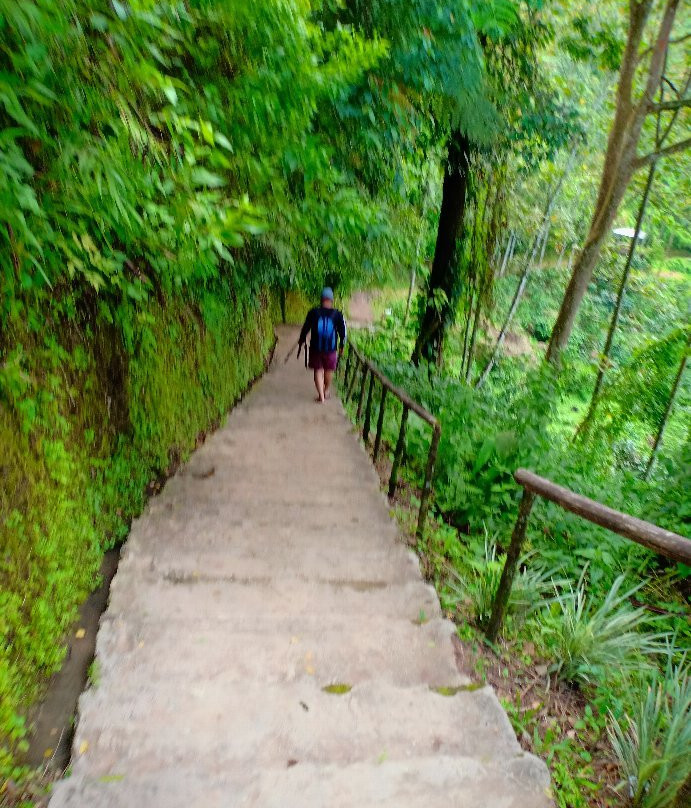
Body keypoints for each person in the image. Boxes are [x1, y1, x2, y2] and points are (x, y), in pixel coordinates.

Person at [298, 287, 347, 403]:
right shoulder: (337, 314)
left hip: (316, 348)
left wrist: (301, 340)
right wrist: (341, 347)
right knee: (329, 370)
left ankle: (321, 395)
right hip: (331, 349)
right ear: (331, 300)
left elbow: (305, 328)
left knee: (318, 370)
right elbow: (343, 332)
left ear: (321, 299)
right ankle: (326, 391)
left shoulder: (313, 312)